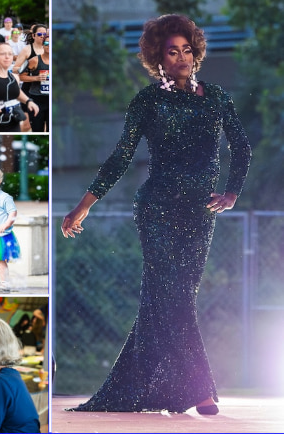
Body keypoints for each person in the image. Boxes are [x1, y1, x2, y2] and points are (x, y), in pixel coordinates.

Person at [61, 14, 251, 415]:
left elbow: (242, 147)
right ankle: (200, 390)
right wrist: (83, 205)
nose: (181, 57)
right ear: (158, 58)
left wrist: (232, 191)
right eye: (172, 51)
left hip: (200, 214)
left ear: (195, 52)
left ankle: (140, 388)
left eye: (186, 50)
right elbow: (121, 157)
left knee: (165, 299)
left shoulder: (216, 96)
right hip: (157, 211)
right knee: (175, 295)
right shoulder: (148, 101)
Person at [20, 39, 50, 132]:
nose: (48, 45)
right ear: (42, 45)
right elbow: (21, 76)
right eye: (46, 43)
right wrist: (36, 78)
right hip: (37, 99)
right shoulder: (34, 60)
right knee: (37, 130)